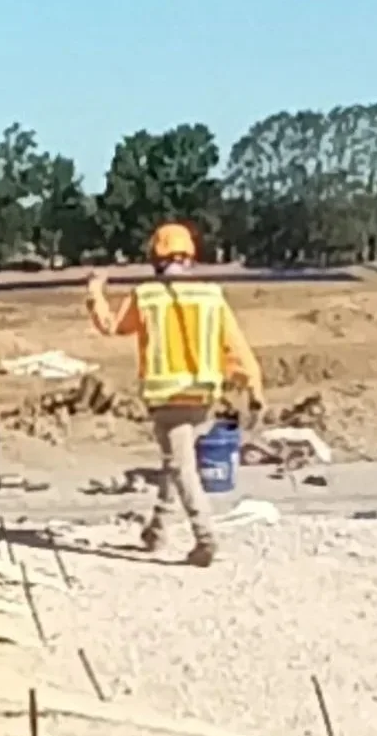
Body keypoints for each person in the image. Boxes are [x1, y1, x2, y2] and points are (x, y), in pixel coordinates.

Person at [86, 223, 264, 567]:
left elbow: (111, 326)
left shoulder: (147, 296)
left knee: (181, 467)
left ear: (155, 257)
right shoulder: (212, 296)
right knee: (176, 461)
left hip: (167, 398)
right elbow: (236, 348)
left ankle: (205, 537)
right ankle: (157, 530)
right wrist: (253, 388)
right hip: (203, 399)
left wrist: (95, 290)